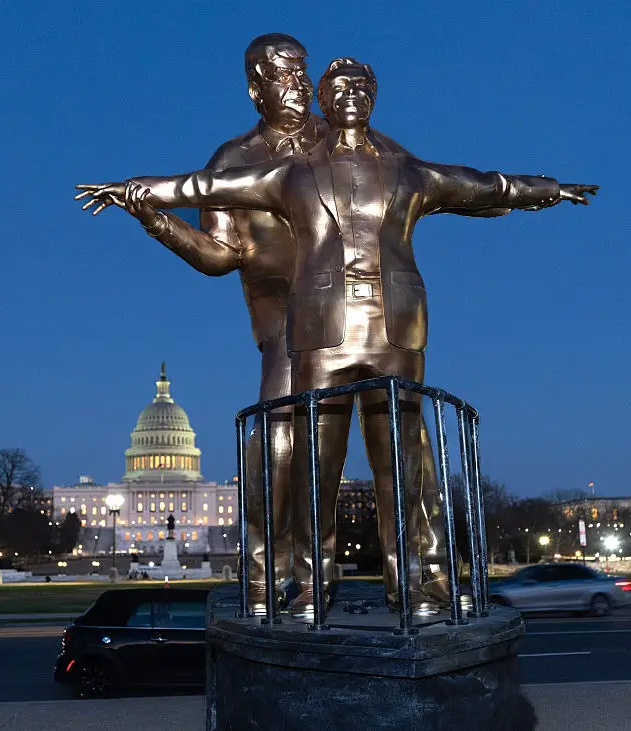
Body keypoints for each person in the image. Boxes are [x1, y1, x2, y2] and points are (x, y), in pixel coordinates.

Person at [78, 57, 597, 615]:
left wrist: (548, 188)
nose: (339, 93)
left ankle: (420, 585)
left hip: (393, 324)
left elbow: (477, 185)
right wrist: (143, 199)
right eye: (330, 85)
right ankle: (302, 583)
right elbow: (207, 189)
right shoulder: (285, 171)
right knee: (306, 464)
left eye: (358, 85)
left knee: (404, 459)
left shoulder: (402, 165)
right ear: (271, 91)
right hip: (312, 326)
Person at [76, 34, 451, 613]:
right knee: (279, 438)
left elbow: (413, 183)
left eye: (303, 72)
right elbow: (218, 256)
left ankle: (423, 573)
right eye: (284, 75)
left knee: (404, 437)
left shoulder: (350, 141)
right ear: (257, 89)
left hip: (363, 313)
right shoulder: (236, 161)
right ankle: (272, 576)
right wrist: (155, 219)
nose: (299, 85)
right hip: (284, 319)